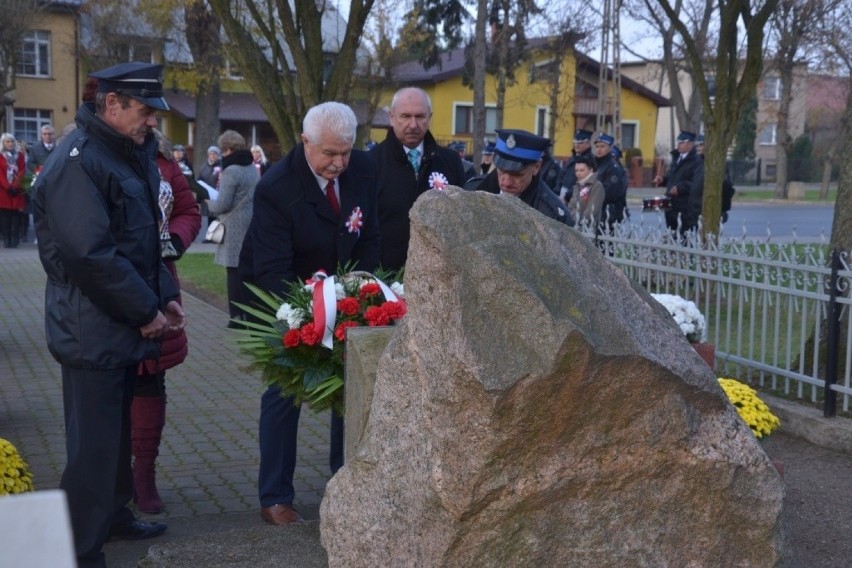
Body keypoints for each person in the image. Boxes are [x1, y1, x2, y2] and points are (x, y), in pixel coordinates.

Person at [31, 61, 183, 568]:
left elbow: (144, 236)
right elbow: (90, 254)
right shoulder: (78, 161)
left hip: (115, 321)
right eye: (145, 111)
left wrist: (163, 295)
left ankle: (114, 516)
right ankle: (78, 548)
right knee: (92, 449)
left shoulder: (126, 152)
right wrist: (144, 310)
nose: (153, 123)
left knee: (113, 437)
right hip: (90, 325)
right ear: (112, 105)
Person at [238, 101, 381, 525]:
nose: (339, 164)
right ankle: (275, 496)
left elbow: (369, 235)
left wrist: (361, 291)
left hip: (345, 290)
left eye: (346, 153)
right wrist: (308, 315)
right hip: (285, 294)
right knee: (285, 390)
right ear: (305, 142)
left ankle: (348, 479)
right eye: (329, 154)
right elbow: (272, 269)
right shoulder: (276, 188)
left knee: (352, 383)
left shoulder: (365, 171)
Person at [131, 130, 201, 514]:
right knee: (107, 388)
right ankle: (110, 477)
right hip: (107, 288)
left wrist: (173, 240)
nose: (148, 120)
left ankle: (144, 473)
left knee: (150, 378)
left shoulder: (164, 161)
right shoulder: (90, 156)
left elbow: (189, 211)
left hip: (158, 284)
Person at [370, 86, 466, 271]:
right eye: (405, 116)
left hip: (439, 276)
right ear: (392, 117)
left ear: (430, 117)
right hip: (385, 279)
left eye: (420, 117)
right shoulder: (371, 163)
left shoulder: (450, 162)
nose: (413, 125)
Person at [205, 130, 259, 326]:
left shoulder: (231, 170)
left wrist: (207, 202)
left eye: (222, 150)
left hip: (233, 224)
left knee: (233, 271)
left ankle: (236, 317)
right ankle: (248, 313)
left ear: (227, 149)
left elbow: (223, 204)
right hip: (251, 222)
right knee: (246, 272)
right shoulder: (252, 168)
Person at [467, 129, 573, 226]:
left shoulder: (553, 216)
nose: (506, 182)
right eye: (502, 171)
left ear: (537, 167)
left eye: (516, 174)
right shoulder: (471, 189)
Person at [652, 131, 704, 234]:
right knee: (672, 233)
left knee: (684, 235)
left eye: (682, 142)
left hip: (685, 206)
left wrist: (680, 188)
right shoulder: (677, 158)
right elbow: (673, 178)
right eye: (678, 142)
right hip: (671, 204)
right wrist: (663, 180)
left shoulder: (697, 161)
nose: (678, 145)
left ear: (690, 144)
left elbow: (696, 183)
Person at [592, 132, 628, 230]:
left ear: (610, 147)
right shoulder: (595, 164)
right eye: (597, 146)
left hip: (609, 213)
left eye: (602, 146)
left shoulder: (613, 167)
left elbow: (607, 192)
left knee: (604, 243)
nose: (599, 149)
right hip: (595, 211)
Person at [0, 132, 26, 248]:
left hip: (17, 190)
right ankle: (7, 238)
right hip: (4, 190)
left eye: (12, 141)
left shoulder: (19, 155)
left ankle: (15, 238)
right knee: (5, 216)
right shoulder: (0, 156)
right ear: (3, 143)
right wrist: (8, 187)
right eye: (7, 141)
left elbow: (22, 171)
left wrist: (16, 186)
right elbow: (0, 174)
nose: (10, 143)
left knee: (16, 215)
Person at [567, 155, 605, 230]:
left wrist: (577, 221)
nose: (578, 173)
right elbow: (570, 206)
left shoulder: (597, 186)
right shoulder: (577, 185)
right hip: (574, 227)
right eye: (576, 170)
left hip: (588, 228)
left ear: (590, 170)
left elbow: (591, 211)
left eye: (582, 170)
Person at [557, 128, 594, 203]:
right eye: (575, 142)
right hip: (563, 195)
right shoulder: (574, 157)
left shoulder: (590, 160)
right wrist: (557, 189)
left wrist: (570, 195)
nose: (576, 145)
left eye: (580, 142)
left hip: (575, 199)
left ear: (588, 143)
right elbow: (562, 174)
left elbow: (585, 182)